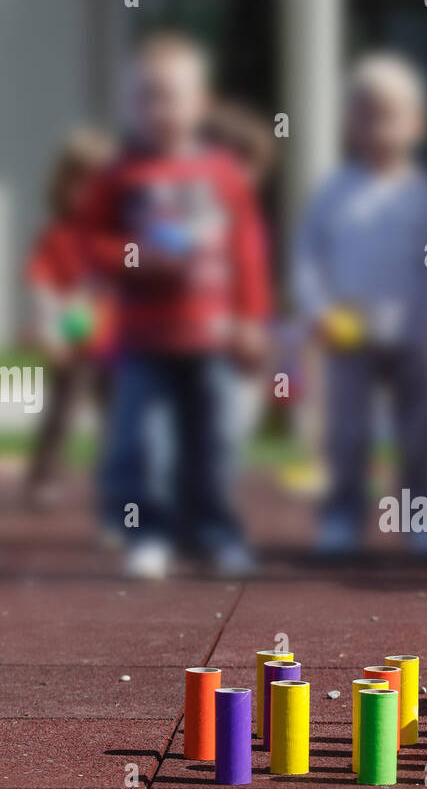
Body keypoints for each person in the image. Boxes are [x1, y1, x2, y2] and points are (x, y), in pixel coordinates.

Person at [82, 33, 271, 578]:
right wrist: (137, 256)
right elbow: (90, 244)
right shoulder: (119, 176)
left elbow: (248, 252)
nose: (160, 109)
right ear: (130, 106)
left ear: (201, 104)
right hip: (144, 338)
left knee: (212, 444)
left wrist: (251, 319)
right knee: (145, 443)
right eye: (147, 97)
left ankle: (214, 530)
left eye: (173, 96)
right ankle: (147, 532)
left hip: (212, 337)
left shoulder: (224, 175)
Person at [292, 52, 427, 553]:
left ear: (418, 124)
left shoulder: (424, 196)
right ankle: (341, 515)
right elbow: (307, 257)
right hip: (349, 333)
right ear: (349, 123)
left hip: (412, 335)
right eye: (365, 114)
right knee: (346, 434)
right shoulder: (333, 192)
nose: (378, 127)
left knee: (420, 435)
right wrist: (317, 308)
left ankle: (424, 517)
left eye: (390, 115)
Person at [22, 129, 115, 508]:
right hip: (71, 344)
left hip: (115, 344)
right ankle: (43, 479)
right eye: (81, 184)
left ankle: (116, 485)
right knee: (60, 415)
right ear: (63, 185)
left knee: (119, 420)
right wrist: (49, 327)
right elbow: (41, 285)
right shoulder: (56, 236)